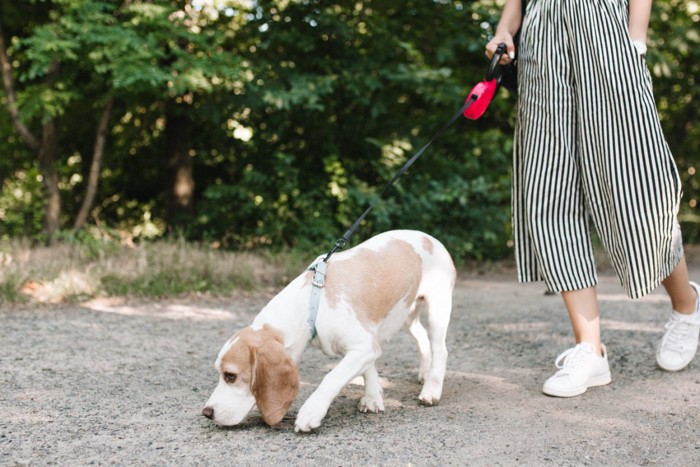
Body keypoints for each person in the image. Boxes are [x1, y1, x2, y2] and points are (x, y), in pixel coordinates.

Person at [485, 0, 700, 398]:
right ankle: (590, 350)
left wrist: (635, 41)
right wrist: (504, 30)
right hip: (542, 45)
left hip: (606, 35)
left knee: (635, 187)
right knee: (549, 190)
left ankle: (687, 308)